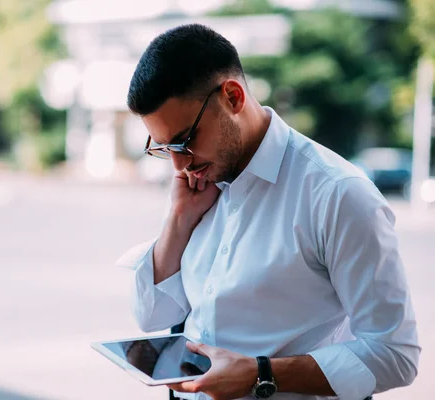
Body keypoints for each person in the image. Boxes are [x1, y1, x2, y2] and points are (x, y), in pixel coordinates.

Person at [119, 24, 420, 400]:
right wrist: (179, 219)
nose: (179, 165)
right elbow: (153, 315)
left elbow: (395, 354)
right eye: (163, 148)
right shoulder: (199, 186)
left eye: (185, 140)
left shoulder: (337, 194)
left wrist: (260, 374)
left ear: (232, 96)